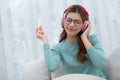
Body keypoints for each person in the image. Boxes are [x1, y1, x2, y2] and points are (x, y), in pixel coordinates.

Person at [36, 4, 106, 79]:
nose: (72, 25)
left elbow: (100, 63)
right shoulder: (58, 47)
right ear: (63, 21)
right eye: (69, 20)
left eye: (77, 22)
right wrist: (45, 41)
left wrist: (84, 37)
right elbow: (51, 67)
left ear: (84, 25)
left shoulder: (93, 38)